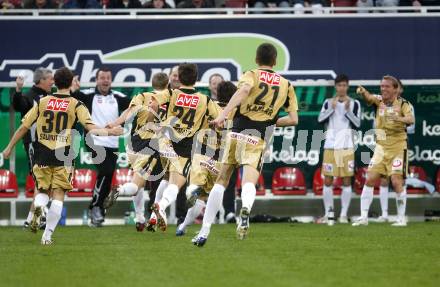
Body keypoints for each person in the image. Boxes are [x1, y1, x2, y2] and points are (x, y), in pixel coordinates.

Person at [193, 43, 299, 247]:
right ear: (275, 61)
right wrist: (272, 120)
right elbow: (294, 119)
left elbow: (244, 90)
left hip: (237, 133)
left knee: (221, 181)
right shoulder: (286, 85)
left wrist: (223, 115)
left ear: (257, 59)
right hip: (258, 137)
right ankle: (246, 212)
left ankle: (204, 231)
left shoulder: (251, 74)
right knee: (249, 182)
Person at [2, 67, 123, 245]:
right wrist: (111, 132)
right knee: (58, 194)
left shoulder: (43, 102)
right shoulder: (76, 104)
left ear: (55, 82)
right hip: (63, 153)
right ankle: (47, 236)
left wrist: (9, 147)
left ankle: (38, 208)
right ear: (70, 83)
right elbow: (91, 128)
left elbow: (23, 127)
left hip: (42, 151)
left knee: (42, 190)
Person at [145, 63, 223, 232]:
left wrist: (151, 123)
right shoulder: (205, 99)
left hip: (166, 143)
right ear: (197, 78)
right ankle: (161, 206)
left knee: (165, 179)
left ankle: (152, 216)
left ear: (179, 78)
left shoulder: (172, 93)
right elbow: (220, 119)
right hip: (185, 148)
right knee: (175, 184)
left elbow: (153, 103)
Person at [104, 72, 170, 232]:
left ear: (152, 83)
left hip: (135, 144)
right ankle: (122, 191)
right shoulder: (170, 97)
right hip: (155, 145)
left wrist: (114, 123)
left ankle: (140, 217)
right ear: (167, 84)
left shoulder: (142, 96)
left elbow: (129, 112)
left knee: (139, 181)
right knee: (164, 179)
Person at [71, 67, 130, 227]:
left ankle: (98, 213)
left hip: (112, 142)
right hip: (94, 140)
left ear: (111, 80)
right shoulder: (87, 94)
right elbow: (72, 99)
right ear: (96, 80)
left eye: (108, 78)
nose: (105, 80)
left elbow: (134, 106)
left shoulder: (119, 96)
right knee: (106, 170)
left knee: (108, 175)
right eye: (102, 77)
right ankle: (96, 207)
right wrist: (73, 90)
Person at [176, 81, 237, 236]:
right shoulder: (236, 111)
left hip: (202, 153)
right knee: (203, 198)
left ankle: (190, 201)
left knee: (195, 188)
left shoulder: (207, 105)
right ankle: (183, 226)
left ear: (217, 93)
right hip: (220, 160)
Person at [353, 75, 414, 227]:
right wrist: (363, 92)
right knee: (370, 178)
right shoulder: (379, 100)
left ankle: (401, 219)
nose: (383, 89)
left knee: (396, 181)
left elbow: (411, 119)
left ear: (395, 89)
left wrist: (399, 119)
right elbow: (369, 98)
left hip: (398, 147)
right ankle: (363, 218)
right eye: (382, 86)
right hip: (381, 147)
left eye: (387, 86)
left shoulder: (404, 104)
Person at [11, 67, 53, 231]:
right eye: (50, 78)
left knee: (43, 185)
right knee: (41, 183)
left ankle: (30, 220)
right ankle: (42, 217)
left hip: (48, 146)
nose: (52, 81)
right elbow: (19, 105)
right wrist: (18, 90)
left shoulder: (51, 96)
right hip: (34, 145)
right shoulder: (29, 96)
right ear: (41, 80)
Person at [317, 74, 361, 225]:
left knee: (347, 181)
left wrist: (348, 111)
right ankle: (329, 214)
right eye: (339, 85)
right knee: (328, 180)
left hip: (346, 146)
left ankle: (343, 215)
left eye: (344, 85)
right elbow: (320, 120)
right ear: (335, 87)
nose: (342, 88)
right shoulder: (328, 102)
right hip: (330, 146)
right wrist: (332, 109)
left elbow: (358, 124)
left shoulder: (354, 103)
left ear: (347, 86)